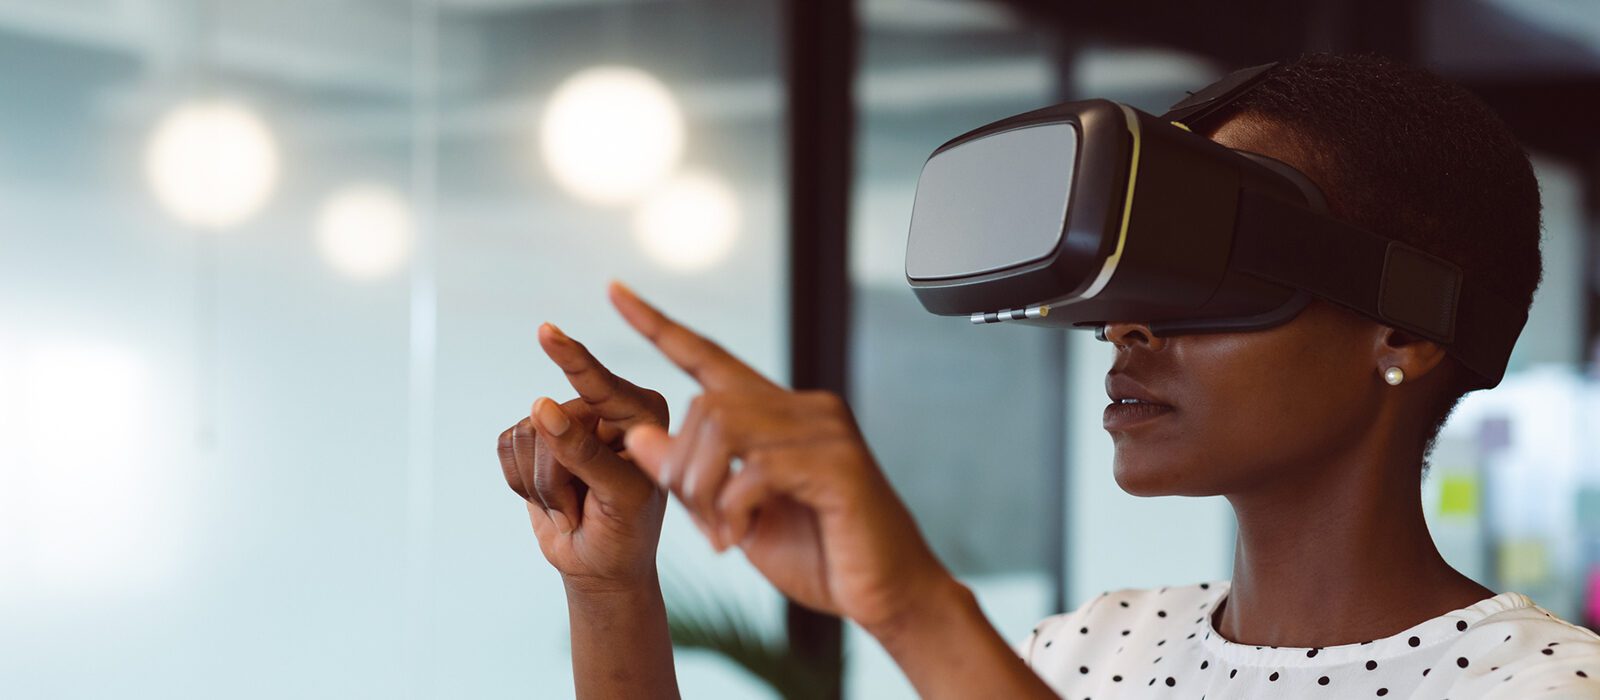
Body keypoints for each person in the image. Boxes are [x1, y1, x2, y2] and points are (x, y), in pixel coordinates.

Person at [495, 53, 1600, 698]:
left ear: (1400, 330)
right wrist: (614, 588)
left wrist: (917, 608)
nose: (1126, 326)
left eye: (1202, 264)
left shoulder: (1538, 684)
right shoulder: (1087, 651)